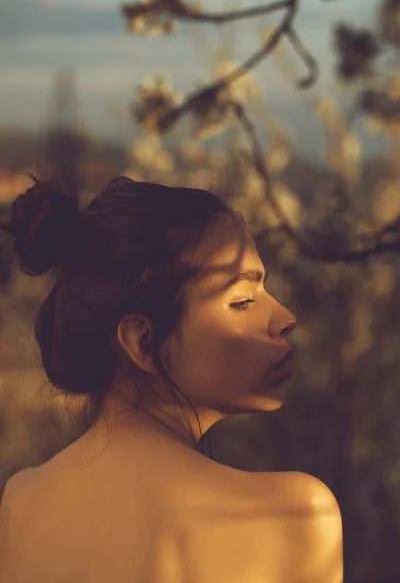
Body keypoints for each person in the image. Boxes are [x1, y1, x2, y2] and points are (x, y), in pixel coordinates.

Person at [0, 175, 343, 582]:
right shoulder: (294, 513)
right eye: (243, 301)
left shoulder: (21, 502)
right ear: (143, 342)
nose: (285, 319)